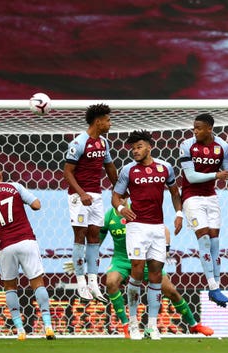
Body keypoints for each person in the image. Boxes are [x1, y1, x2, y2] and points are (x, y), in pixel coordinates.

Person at [64, 201, 214, 337]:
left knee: (171, 291)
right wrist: (82, 260)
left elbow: (164, 231)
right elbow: (96, 243)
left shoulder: (138, 210)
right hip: (121, 260)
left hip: (145, 260)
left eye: (124, 196)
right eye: (117, 195)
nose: (121, 199)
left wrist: (166, 249)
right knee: (111, 282)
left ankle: (194, 325)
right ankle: (126, 325)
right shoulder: (109, 216)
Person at [111, 130, 183, 340]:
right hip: (136, 227)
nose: (135, 151)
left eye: (139, 147)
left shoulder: (165, 167)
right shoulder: (128, 170)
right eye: (133, 148)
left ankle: (152, 326)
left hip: (157, 228)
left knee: (155, 275)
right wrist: (120, 209)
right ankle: (133, 324)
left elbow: (175, 192)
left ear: (149, 147)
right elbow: (115, 197)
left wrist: (179, 214)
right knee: (136, 270)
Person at [0, 162, 55, 341]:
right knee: (37, 283)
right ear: (1, 174)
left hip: (5, 246)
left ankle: (20, 330)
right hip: (26, 240)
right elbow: (37, 205)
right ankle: (48, 326)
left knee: (10, 287)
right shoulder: (15, 187)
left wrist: (1, 226)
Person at [63, 103, 118, 302]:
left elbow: (110, 168)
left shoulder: (103, 143)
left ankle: (94, 283)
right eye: (108, 120)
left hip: (96, 196)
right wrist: (82, 193)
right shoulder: (79, 142)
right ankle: (81, 284)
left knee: (95, 236)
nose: (110, 123)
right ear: (98, 121)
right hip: (78, 196)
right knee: (81, 234)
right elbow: (67, 173)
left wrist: (119, 190)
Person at [179, 113, 228, 307]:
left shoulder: (223, 146)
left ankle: (216, 287)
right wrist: (217, 174)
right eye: (194, 128)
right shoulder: (186, 145)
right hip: (191, 196)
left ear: (209, 129)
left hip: (211, 197)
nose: (195, 131)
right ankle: (213, 287)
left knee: (214, 242)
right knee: (203, 239)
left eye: (199, 128)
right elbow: (191, 177)